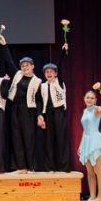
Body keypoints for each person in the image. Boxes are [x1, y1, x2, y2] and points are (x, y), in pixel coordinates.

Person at [0, 35, 42, 173]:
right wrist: (4, 45)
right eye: (23, 66)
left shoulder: (37, 81)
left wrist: (39, 115)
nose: (25, 67)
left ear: (33, 66)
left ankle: (31, 167)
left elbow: (39, 100)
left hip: (28, 111)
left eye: (27, 65)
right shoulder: (17, 74)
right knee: (16, 138)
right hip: (15, 108)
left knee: (28, 138)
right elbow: (9, 60)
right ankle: (21, 167)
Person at [38, 43, 70, 172]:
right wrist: (41, 115)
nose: (49, 73)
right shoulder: (42, 86)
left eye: (51, 71)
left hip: (59, 112)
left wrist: (62, 52)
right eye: (47, 72)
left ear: (56, 73)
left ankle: (63, 167)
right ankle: (50, 167)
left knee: (61, 139)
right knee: (48, 141)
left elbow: (59, 65)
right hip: (48, 114)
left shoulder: (59, 82)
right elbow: (40, 102)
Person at [79, 89, 101, 201]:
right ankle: (92, 196)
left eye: (92, 98)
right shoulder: (85, 111)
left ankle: (100, 197)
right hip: (86, 142)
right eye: (87, 97)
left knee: (98, 170)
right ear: (84, 99)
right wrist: (81, 145)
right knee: (90, 172)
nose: (89, 99)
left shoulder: (97, 109)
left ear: (95, 100)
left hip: (95, 141)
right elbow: (84, 130)